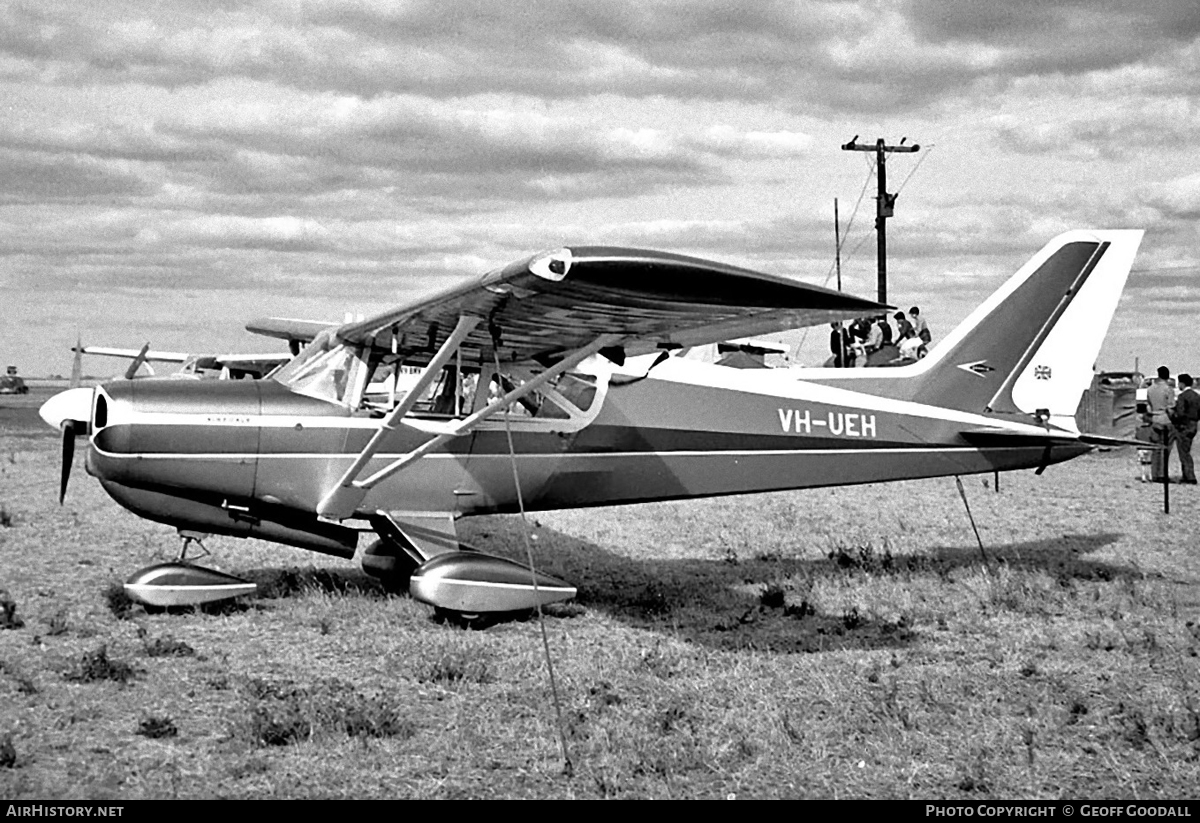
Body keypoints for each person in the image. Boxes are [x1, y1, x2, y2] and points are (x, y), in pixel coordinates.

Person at [1147, 365, 1175, 482]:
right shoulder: (1168, 389)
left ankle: (1154, 473)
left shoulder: (1150, 389)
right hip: (1165, 419)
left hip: (1154, 419)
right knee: (1165, 449)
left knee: (1155, 448)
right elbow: (1171, 407)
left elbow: (1148, 407)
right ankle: (1163, 474)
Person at [1171, 373, 1200, 484]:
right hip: (1193, 425)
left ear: (1182, 383)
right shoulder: (1197, 396)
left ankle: (1189, 476)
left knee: (1183, 452)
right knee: (1187, 450)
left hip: (1184, 426)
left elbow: (1180, 413)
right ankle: (1187, 475)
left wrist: (1173, 417)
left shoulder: (1182, 397)